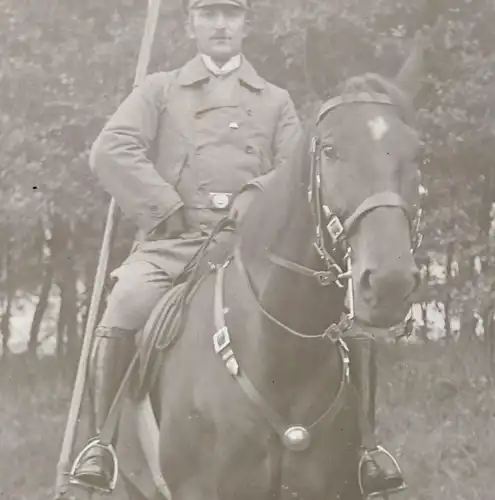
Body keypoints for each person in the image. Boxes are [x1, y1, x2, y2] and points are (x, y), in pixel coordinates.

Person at [71, 0, 405, 496]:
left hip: (252, 248)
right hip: (174, 244)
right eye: (209, 14)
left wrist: (256, 192)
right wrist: (164, 205)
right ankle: (103, 446)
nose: (221, 25)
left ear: (247, 25)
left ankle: (367, 450)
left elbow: (302, 166)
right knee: (126, 302)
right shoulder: (159, 90)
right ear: (191, 24)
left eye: (231, 14)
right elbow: (112, 148)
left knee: (347, 320)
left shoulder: (274, 100)